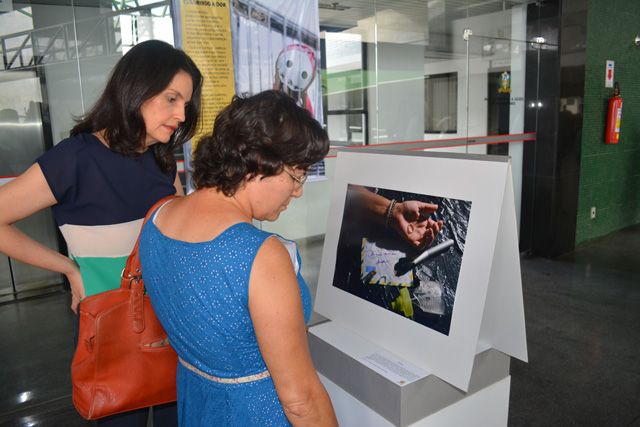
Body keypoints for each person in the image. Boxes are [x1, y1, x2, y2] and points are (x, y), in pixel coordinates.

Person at [0, 39, 202, 426]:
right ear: (136, 89)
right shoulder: (75, 158)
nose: (181, 114)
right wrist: (68, 269)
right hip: (113, 331)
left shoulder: (161, 160)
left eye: (186, 103)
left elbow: (178, 238)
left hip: (172, 324)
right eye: (171, 98)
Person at [138, 90, 338, 426]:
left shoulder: (158, 217)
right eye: (296, 175)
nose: (298, 190)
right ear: (259, 163)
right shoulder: (260, 255)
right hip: (256, 412)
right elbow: (300, 401)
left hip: (197, 401)